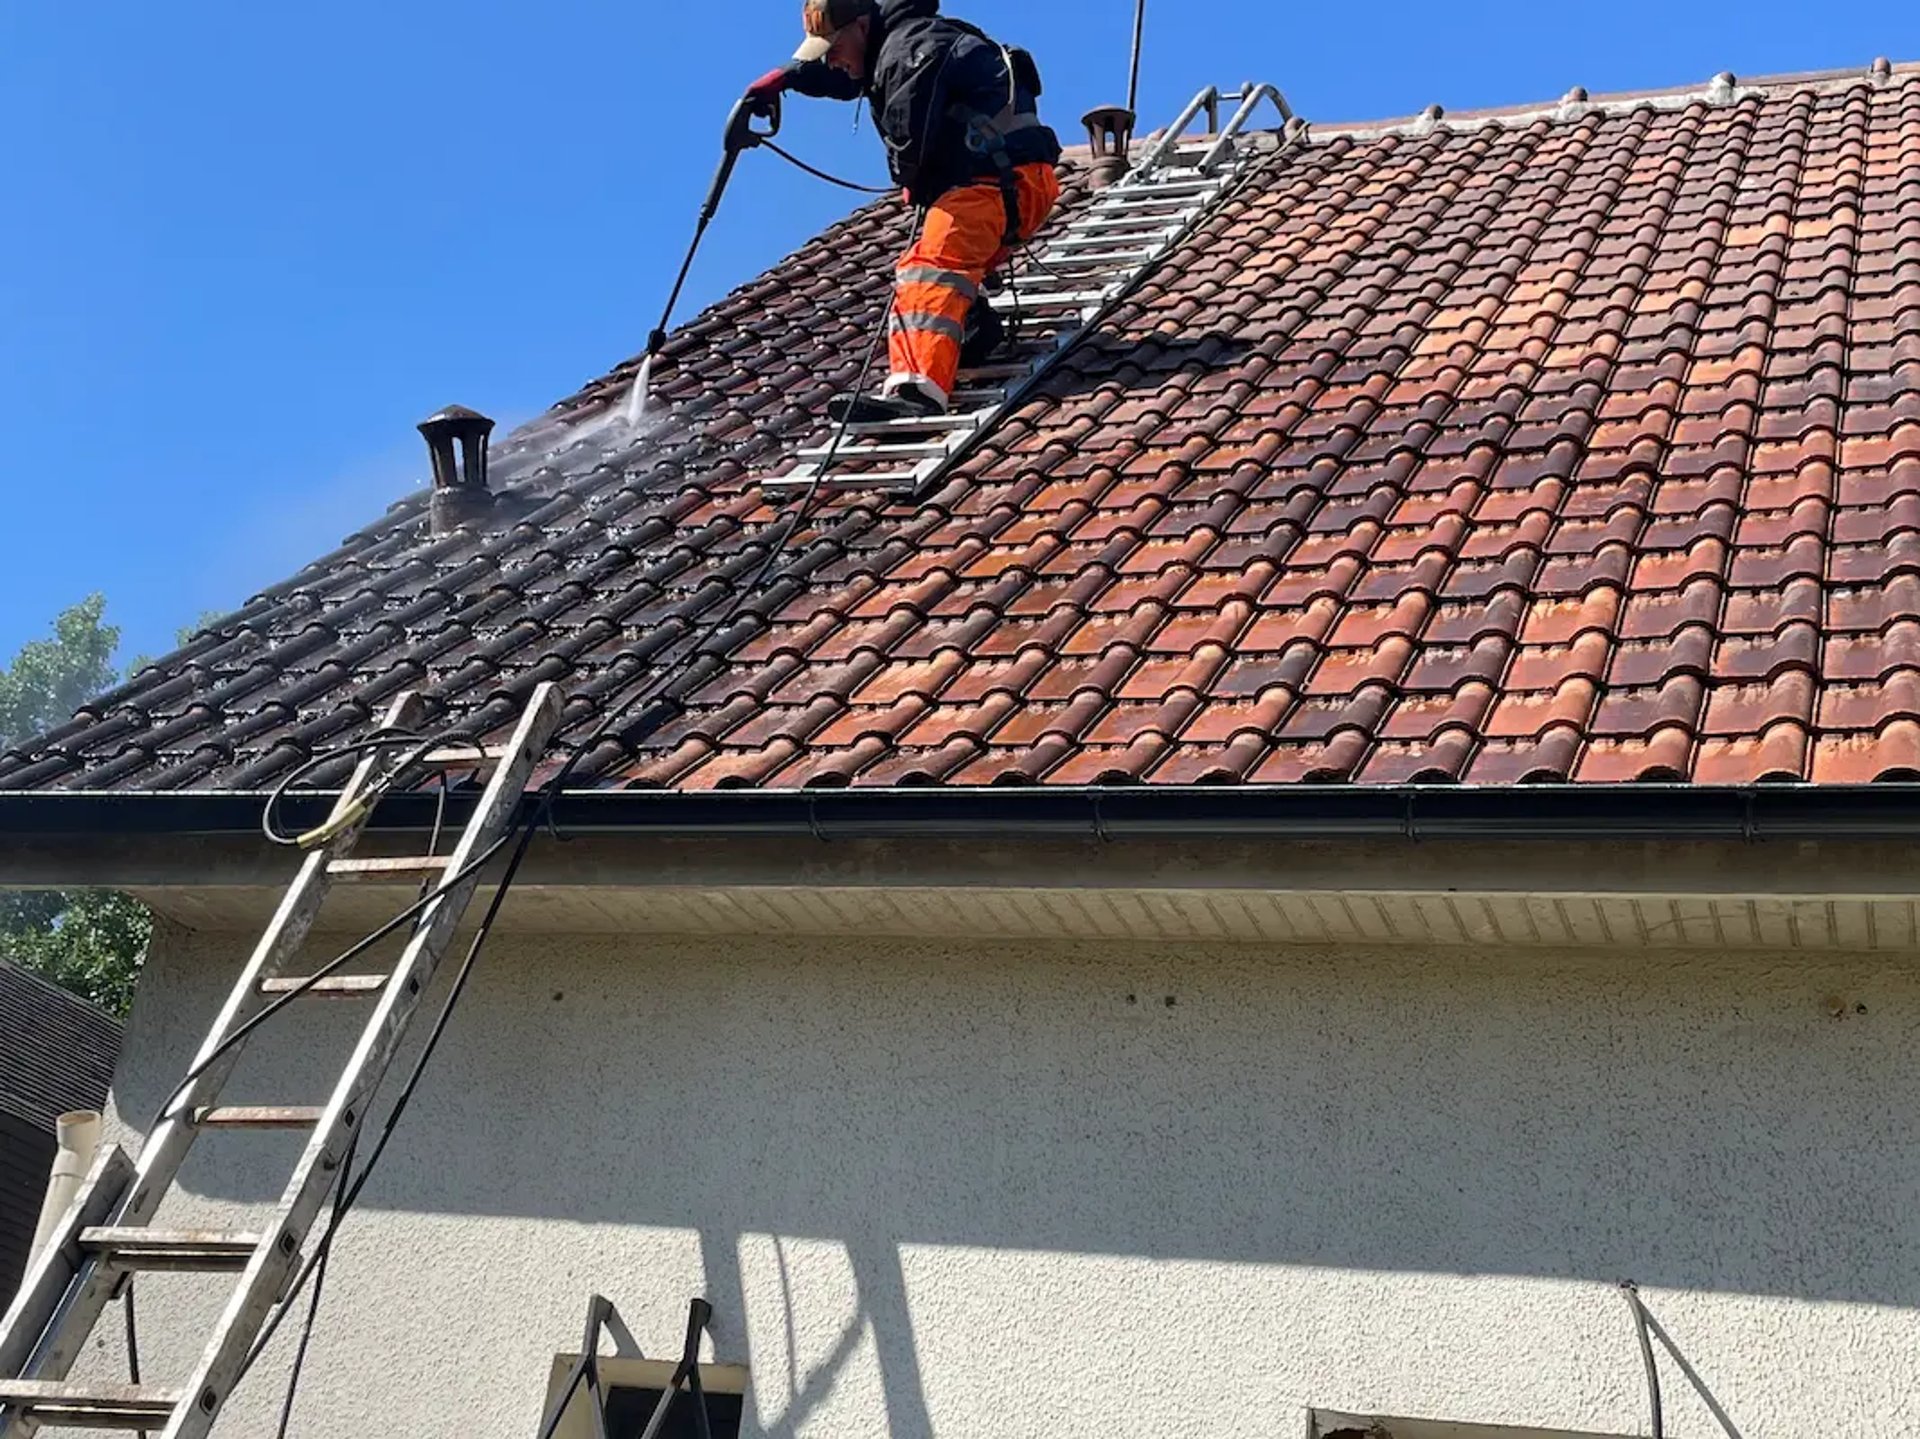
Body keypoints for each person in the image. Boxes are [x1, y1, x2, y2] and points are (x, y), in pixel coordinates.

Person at [746, 0, 1063, 422]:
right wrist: (790, 76)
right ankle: (973, 331)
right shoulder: (904, 40)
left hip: (992, 187)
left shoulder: (908, 51)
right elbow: (852, 76)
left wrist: (914, 181)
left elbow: (908, 147)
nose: (832, 60)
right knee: (957, 258)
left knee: (927, 269)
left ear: (861, 26)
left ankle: (917, 391)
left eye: (833, 48)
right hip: (1014, 181)